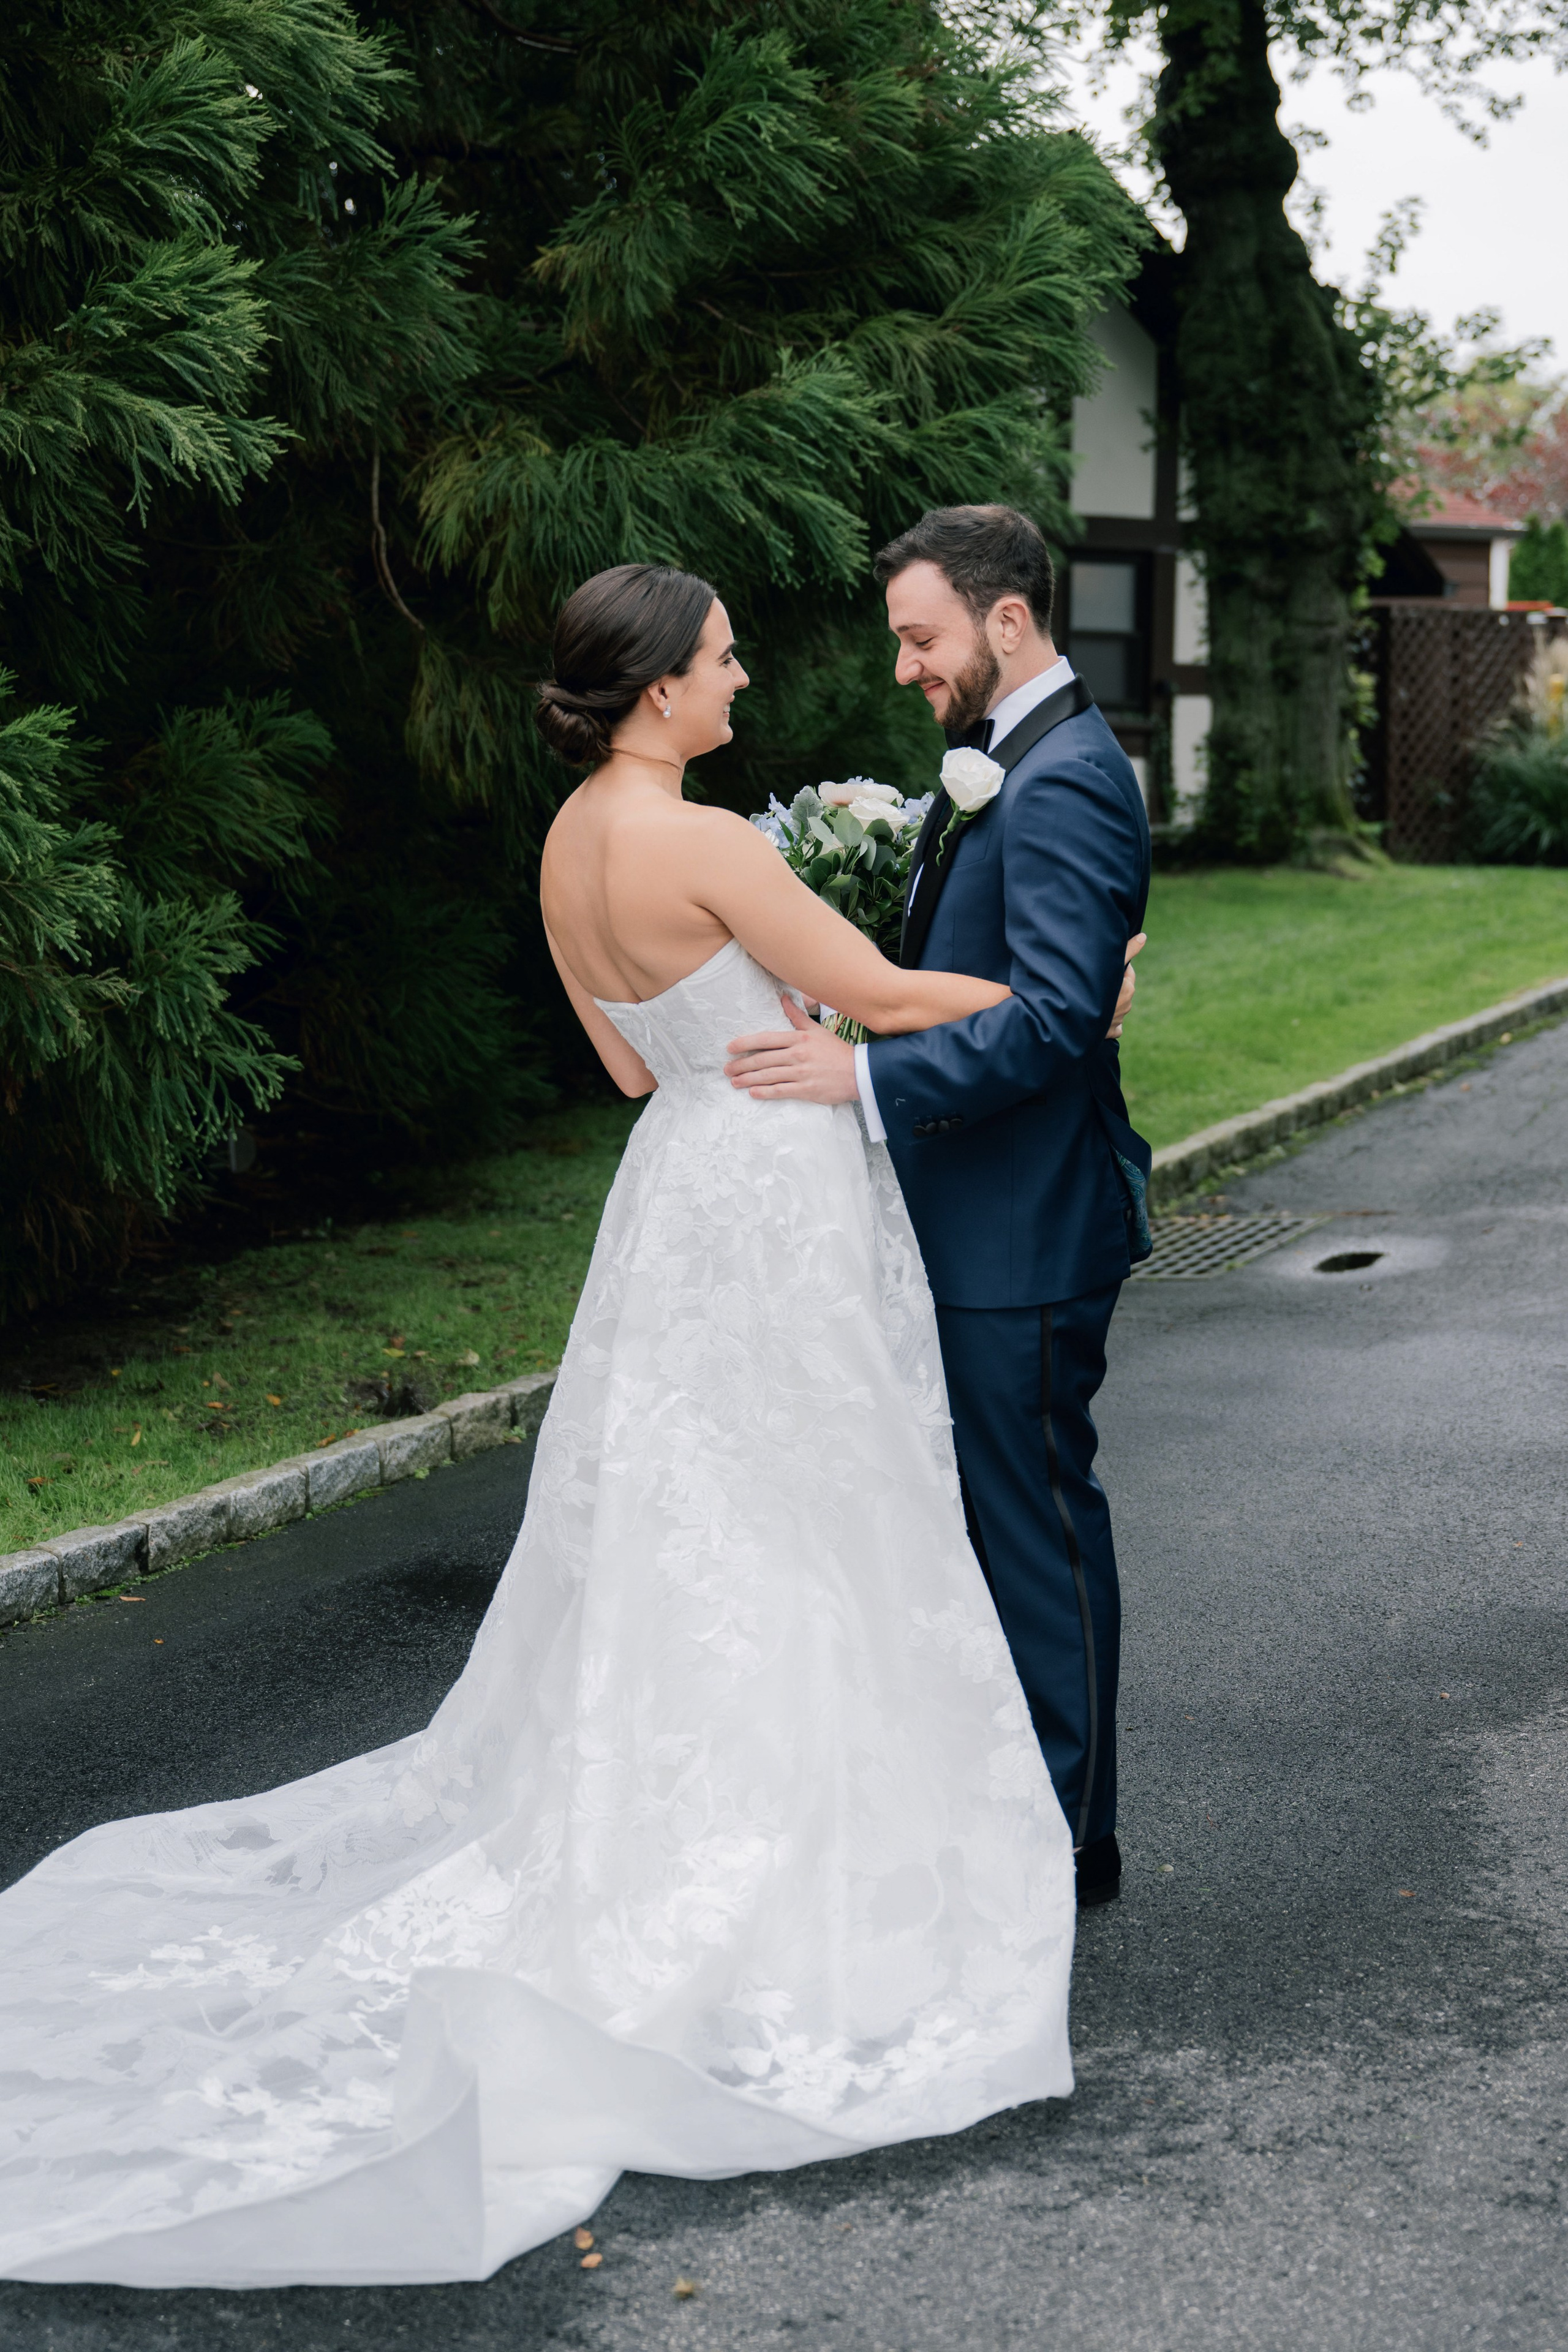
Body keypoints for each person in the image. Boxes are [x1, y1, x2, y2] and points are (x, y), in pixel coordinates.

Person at [0, 561, 1133, 2291]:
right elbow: (898, 1004)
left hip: (677, 1184)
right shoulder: (708, 844)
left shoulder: (565, 846)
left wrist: (762, 1021)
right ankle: (800, 1840)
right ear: (660, 686)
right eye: (727, 659)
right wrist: (1069, 1006)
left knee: (689, 1525)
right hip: (771, 1201)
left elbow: (628, 1065)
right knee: (811, 1519)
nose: (745, 681)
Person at [725, 507, 1152, 1910]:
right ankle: (1014, 1802)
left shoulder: (1065, 777)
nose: (906, 666)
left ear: (1006, 623)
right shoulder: (1003, 765)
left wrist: (861, 1075)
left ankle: (1066, 1834)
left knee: (1032, 1522)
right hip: (969, 1211)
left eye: (921, 638)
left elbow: (1046, 1026)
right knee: (983, 1519)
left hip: (1023, 1226)